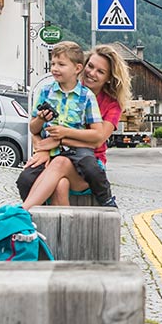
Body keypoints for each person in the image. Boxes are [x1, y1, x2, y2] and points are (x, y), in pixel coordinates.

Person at [16, 44, 130, 207]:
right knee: (58, 184)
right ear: (81, 66)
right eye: (90, 66)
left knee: (60, 164)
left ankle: (23, 210)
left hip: (88, 163)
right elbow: (37, 128)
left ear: (109, 78)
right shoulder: (60, 88)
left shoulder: (109, 104)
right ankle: (48, 225)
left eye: (100, 71)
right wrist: (41, 148)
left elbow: (97, 140)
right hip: (55, 154)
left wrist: (59, 139)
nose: (92, 73)